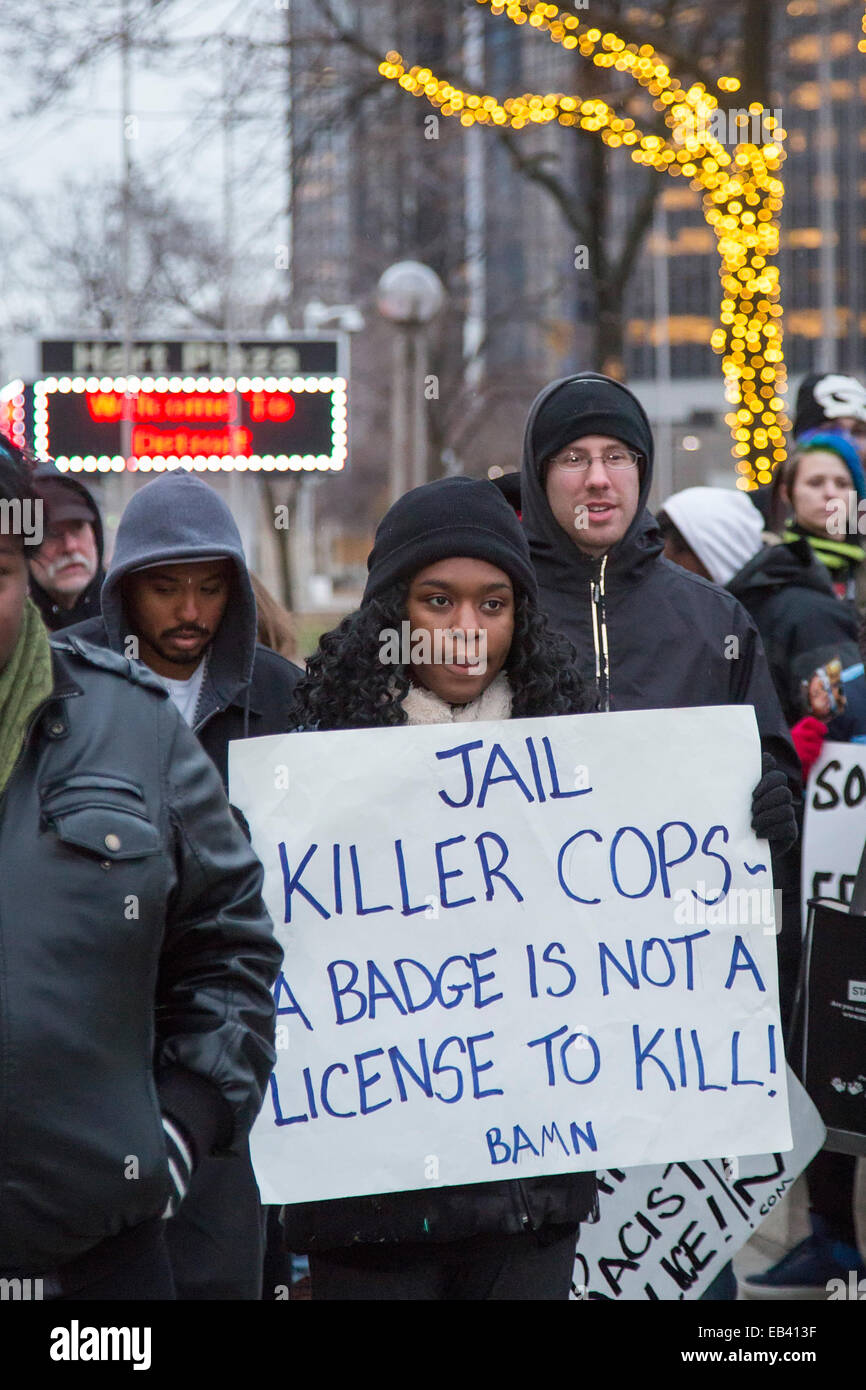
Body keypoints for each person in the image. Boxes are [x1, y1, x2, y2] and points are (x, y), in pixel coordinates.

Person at [282, 475, 598, 1301]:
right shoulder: (305, 767)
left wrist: (746, 827)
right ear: (391, 612)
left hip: (528, 1202)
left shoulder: (588, 762)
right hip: (368, 1203)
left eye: (494, 604)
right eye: (437, 601)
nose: (467, 631)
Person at [0, 435, 282, 1298]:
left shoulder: (137, 724)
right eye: (166, 585)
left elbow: (229, 946)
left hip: (102, 1254)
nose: (189, 608)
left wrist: (181, 1131)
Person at [67, 470, 303, 1299]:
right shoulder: (69, 691)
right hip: (97, 1040)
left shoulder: (283, 695)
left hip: (239, 1042)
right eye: (165, 588)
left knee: (223, 1260)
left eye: (209, 587)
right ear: (123, 588)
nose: (190, 612)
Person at [770, 434, 866, 611]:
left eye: (842, 484)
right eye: (815, 483)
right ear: (787, 493)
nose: (830, 493)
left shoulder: (860, 563)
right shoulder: (771, 570)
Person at [28, 462, 105, 631]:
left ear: (95, 534)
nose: (70, 546)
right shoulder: (12, 640)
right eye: (51, 533)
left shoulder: (133, 618)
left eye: (78, 527)